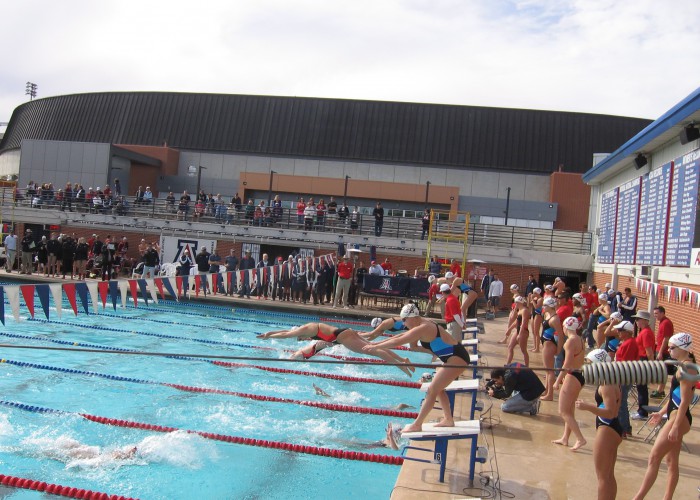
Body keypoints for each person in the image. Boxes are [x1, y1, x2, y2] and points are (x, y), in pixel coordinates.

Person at [363, 304, 470, 432]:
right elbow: (398, 337)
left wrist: (375, 347)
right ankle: (448, 419)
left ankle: (417, 424)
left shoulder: (424, 327)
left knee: (432, 390)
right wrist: (375, 344)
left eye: (405, 320)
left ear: (412, 318)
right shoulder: (421, 324)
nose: (404, 323)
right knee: (438, 389)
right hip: (452, 357)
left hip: (457, 358)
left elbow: (398, 341)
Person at [633, 333, 697, 500]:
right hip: (675, 416)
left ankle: (637, 498)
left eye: (672, 347)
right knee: (671, 462)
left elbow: (685, 401)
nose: (668, 350)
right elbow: (675, 396)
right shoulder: (683, 365)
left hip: (679, 418)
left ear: (683, 349)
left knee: (654, 457)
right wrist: (661, 412)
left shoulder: (686, 368)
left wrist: (675, 426)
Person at [257, 323, 414, 376]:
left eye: (301, 338)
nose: (302, 339)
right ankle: (403, 360)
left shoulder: (305, 329)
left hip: (342, 337)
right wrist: (270, 334)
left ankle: (401, 366)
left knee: (371, 350)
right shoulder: (311, 331)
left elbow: (286, 334)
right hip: (345, 332)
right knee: (373, 347)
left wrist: (269, 335)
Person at [575, 349, 622, 500]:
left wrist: (587, 406)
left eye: (589, 364)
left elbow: (610, 412)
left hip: (607, 429)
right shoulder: (611, 379)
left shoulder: (606, 385)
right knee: (608, 475)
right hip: (612, 427)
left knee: (602, 477)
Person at [552, 316, 587, 451]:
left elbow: (567, 363)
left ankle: (580, 439)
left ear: (566, 327)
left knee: (563, 411)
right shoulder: (580, 339)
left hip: (572, 376)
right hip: (580, 375)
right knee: (569, 410)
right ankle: (565, 438)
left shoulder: (570, 342)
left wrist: (558, 379)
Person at [612, 319, 637, 436]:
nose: (618, 332)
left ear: (627, 332)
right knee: (621, 402)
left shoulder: (629, 343)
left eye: (620, 330)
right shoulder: (627, 342)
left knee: (621, 402)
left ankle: (624, 428)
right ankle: (625, 427)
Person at [631, 310, 655, 421]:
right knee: (641, 388)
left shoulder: (645, 333)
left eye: (638, 319)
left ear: (645, 321)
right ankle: (641, 410)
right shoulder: (643, 331)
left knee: (642, 388)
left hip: (643, 361)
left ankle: (642, 412)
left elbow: (649, 352)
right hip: (641, 360)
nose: (636, 322)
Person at [539, 297, 563, 401]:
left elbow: (561, 335)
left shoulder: (555, 319)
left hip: (550, 345)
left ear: (550, 306)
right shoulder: (547, 314)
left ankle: (550, 395)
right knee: (547, 370)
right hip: (546, 343)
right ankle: (546, 390)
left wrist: (559, 349)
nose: (543, 307)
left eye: (545, 305)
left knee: (550, 371)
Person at [652, 305, 674, 399]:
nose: (655, 315)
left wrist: (660, 352)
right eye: (654, 314)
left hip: (663, 351)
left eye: (656, 313)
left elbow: (666, 338)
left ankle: (660, 391)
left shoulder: (666, 323)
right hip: (660, 349)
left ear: (662, 313)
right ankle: (659, 389)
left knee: (662, 372)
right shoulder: (662, 322)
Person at [505, 296, 531, 366]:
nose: (515, 304)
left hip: (523, 331)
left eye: (516, 302)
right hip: (518, 331)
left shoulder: (525, 310)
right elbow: (516, 321)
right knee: (510, 347)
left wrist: (520, 334)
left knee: (523, 350)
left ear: (519, 302)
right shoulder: (519, 310)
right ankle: (508, 364)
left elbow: (524, 323)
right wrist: (509, 329)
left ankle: (526, 367)